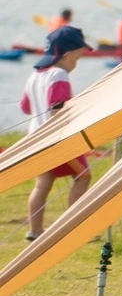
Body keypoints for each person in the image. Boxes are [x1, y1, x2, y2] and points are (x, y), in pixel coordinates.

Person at [18, 27, 93, 240]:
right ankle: (72, 229)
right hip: (57, 140)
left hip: (36, 139)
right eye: (77, 59)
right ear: (67, 55)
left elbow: (25, 107)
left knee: (42, 183)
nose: (76, 64)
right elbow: (56, 108)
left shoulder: (35, 75)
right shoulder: (59, 75)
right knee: (83, 176)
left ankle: (34, 231)